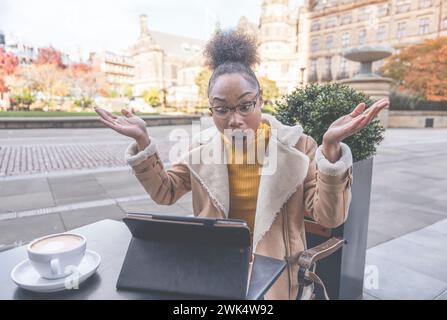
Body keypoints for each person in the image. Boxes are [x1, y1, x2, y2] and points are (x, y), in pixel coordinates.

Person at [95, 30, 389, 300]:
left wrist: (331, 150)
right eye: (222, 109)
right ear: (211, 110)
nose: (234, 119)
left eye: (245, 106)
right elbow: (165, 192)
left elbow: (329, 217)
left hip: (279, 278)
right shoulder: (200, 149)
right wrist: (144, 143)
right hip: (213, 271)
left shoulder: (300, 147)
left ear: (261, 100)